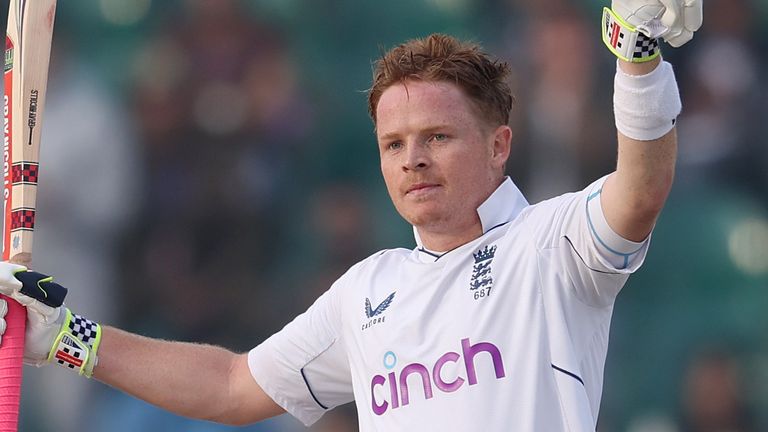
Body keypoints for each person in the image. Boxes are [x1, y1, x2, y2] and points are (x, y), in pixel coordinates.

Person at [0, 1, 703, 430]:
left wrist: (636, 60)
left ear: (499, 147)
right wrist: (66, 337)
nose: (412, 160)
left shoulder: (550, 244)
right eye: (394, 144)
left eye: (437, 137)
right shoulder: (368, 291)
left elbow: (640, 189)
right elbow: (233, 385)